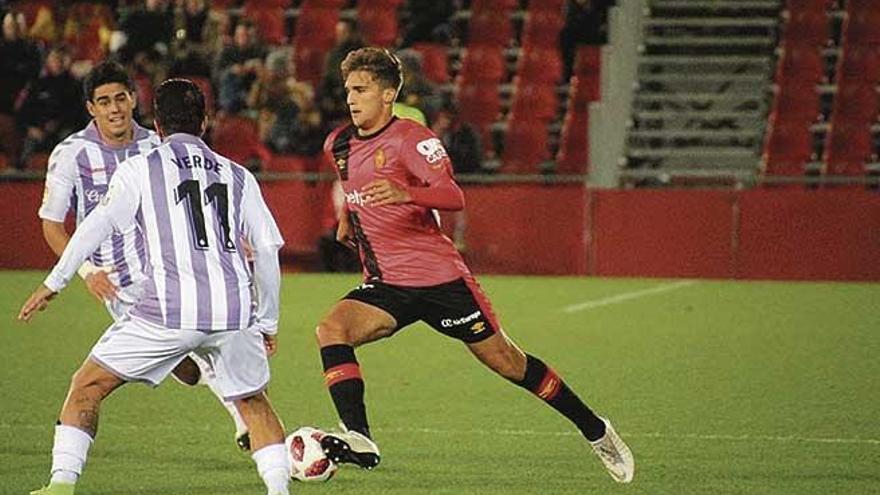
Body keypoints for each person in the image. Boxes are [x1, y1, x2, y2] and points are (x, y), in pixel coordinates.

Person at [315, 47, 635, 483]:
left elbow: (453, 196)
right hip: (387, 283)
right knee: (332, 329)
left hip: (440, 281)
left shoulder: (413, 140)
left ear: (388, 95)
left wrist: (407, 194)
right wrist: (346, 218)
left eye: (361, 89)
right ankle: (359, 437)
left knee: (508, 362)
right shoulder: (339, 143)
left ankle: (596, 430)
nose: (351, 98)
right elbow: (353, 185)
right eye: (348, 89)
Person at [19, 78, 289, 495]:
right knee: (253, 401)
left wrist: (56, 281)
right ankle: (279, 491)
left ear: (157, 125)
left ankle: (60, 485)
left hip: (167, 312)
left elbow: (94, 227)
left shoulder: (140, 167)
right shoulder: (238, 175)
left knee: (87, 386)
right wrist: (267, 320)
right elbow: (268, 251)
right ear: (205, 120)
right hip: (235, 313)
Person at [39, 60, 253, 450]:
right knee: (188, 368)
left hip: (166, 269)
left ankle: (245, 421)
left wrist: (234, 236)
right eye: (104, 101)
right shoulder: (71, 154)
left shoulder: (158, 144)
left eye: (121, 98)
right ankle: (245, 413)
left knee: (201, 343)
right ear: (91, 108)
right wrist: (87, 272)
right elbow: (53, 225)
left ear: (134, 99)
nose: (114, 108)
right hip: (114, 281)